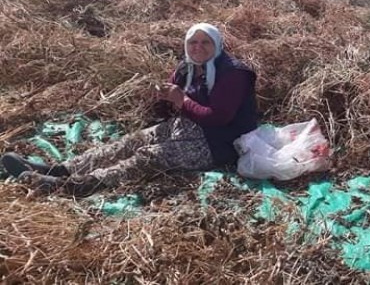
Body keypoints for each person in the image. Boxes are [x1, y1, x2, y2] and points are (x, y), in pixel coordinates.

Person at [1, 23, 259, 197]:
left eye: (205, 43)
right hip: (186, 128)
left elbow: (219, 118)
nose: (198, 48)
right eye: (193, 42)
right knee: (127, 143)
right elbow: (167, 113)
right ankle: (58, 170)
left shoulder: (233, 74)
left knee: (148, 155)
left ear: (217, 45)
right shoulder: (186, 68)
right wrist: (161, 99)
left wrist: (181, 101)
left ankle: (74, 187)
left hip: (220, 143)